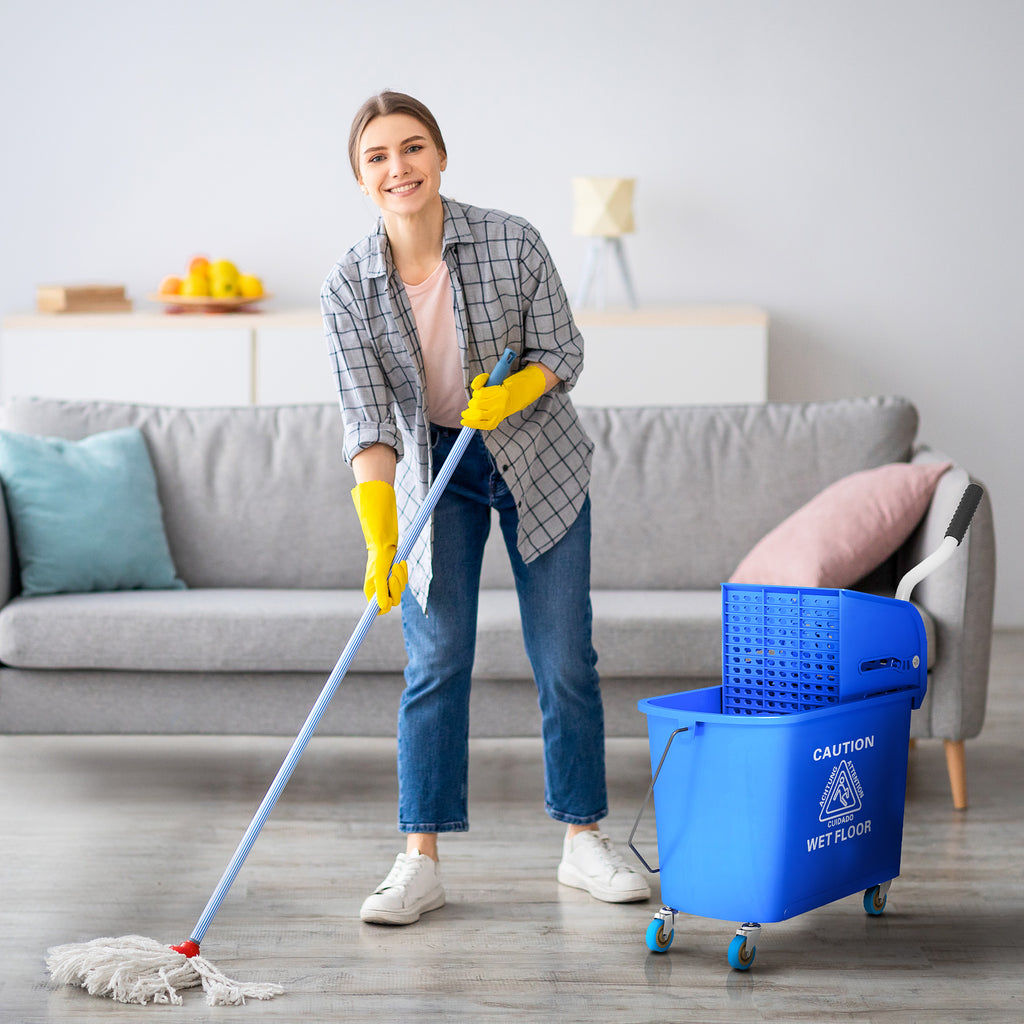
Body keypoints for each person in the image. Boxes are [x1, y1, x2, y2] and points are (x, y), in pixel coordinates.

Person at [321, 90, 649, 925]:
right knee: (436, 663)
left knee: (564, 658)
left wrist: (513, 396)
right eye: (379, 157)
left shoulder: (511, 239)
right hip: (436, 473)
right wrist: (380, 536)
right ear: (360, 180)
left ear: (440, 156)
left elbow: (563, 351)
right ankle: (419, 859)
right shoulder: (348, 287)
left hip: (536, 456)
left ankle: (583, 841)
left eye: (414, 147)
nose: (400, 167)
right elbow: (368, 420)